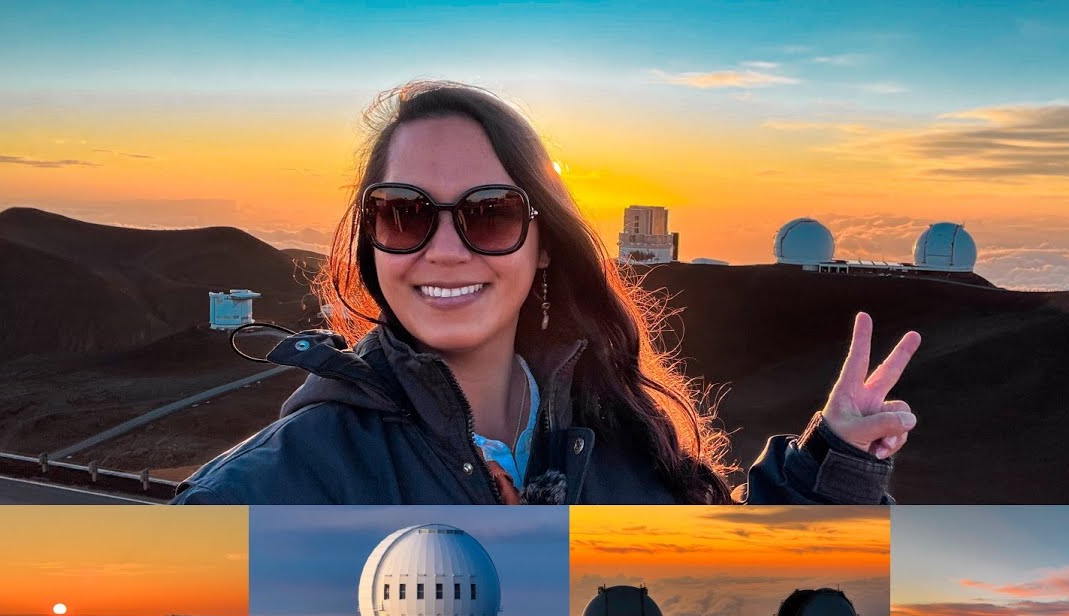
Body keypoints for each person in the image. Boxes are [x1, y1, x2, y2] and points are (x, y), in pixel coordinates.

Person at [172, 80, 920, 505]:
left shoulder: (626, 440)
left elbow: (732, 615)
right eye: (403, 213)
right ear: (371, 241)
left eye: (487, 213)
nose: (443, 248)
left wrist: (831, 470)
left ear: (543, 243)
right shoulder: (274, 490)